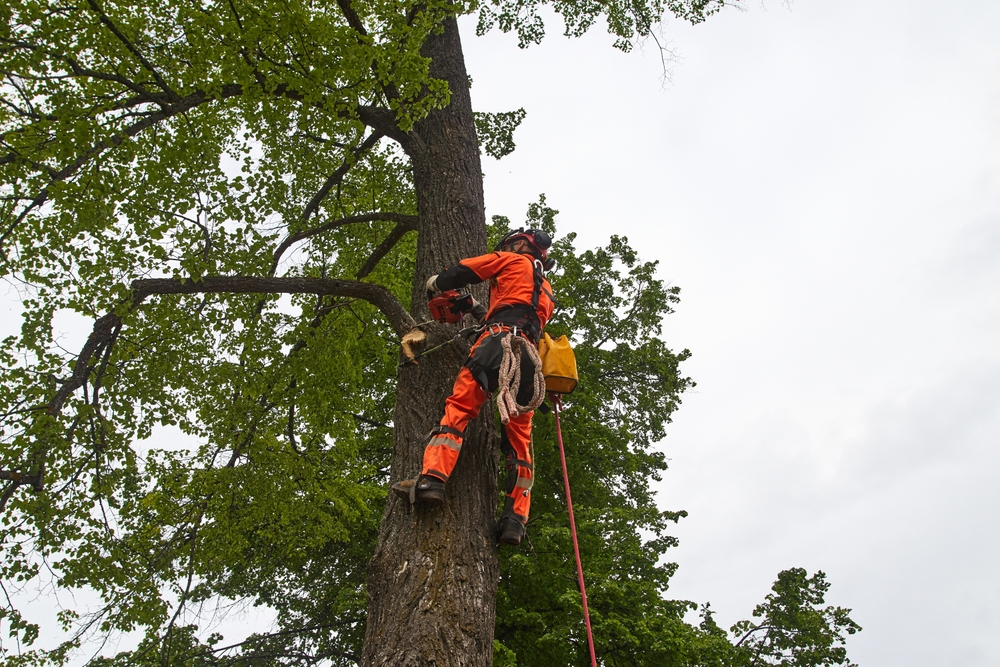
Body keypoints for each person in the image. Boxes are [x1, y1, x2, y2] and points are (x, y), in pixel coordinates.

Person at [392, 228, 556, 546]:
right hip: (528, 359)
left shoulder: (508, 260)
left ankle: (433, 480)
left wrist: (436, 284)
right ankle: (514, 521)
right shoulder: (545, 288)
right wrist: (474, 309)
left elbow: (464, 270)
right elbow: (513, 310)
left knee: (460, 408)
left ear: (519, 245)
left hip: (495, 344)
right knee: (519, 444)